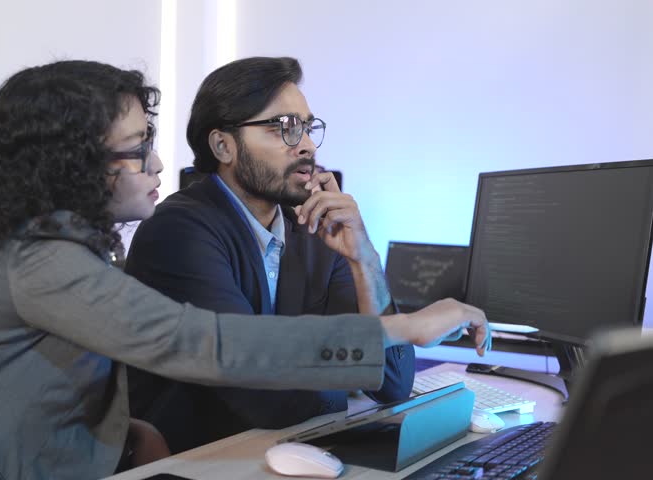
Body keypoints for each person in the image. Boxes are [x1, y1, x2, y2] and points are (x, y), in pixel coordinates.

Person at [0, 60, 490, 480]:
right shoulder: (38, 256)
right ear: (74, 164)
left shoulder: (62, 245)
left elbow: (49, 377)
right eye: (137, 149)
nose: (154, 164)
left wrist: (122, 432)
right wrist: (406, 326)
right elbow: (201, 344)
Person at [123, 56, 463, 453]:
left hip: (288, 453)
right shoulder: (179, 231)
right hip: (204, 463)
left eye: (306, 127)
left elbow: (392, 382)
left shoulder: (315, 230)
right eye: (283, 127)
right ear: (223, 145)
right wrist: (345, 375)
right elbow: (260, 397)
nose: (305, 145)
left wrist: (363, 256)